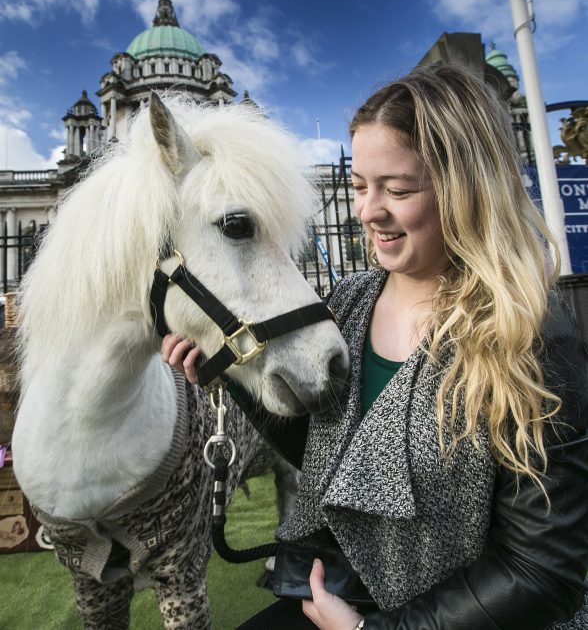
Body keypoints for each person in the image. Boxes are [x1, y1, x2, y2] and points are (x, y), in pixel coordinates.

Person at [162, 63, 588, 629]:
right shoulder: (349, 301)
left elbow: (543, 572)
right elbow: (329, 456)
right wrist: (231, 378)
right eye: (360, 186)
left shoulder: (530, 334)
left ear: (468, 189)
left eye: (398, 189)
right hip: (337, 592)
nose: (367, 211)